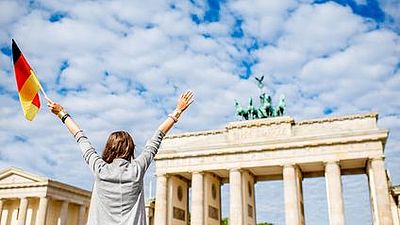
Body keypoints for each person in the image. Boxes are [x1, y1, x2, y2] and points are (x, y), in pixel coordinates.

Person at [47, 91, 194, 225]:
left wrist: (62, 113)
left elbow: (80, 137)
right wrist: (178, 111)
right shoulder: (137, 169)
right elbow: (158, 136)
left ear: (108, 148)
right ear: (130, 149)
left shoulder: (99, 168)